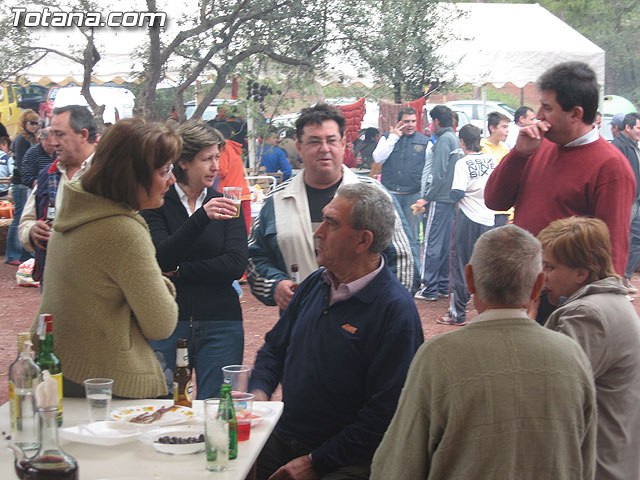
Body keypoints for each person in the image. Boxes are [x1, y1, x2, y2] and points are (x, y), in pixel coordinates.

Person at [371, 225, 597, 480]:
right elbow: (585, 462)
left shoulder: (439, 356)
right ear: (538, 286)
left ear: (469, 280)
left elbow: (399, 463)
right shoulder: (572, 356)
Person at [249, 182, 424, 480]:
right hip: (286, 435)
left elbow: (385, 412)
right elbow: (274, 348)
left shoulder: (395, 310)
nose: (317, 233)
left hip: (347, 460)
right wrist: (258, 396)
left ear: (362, 241)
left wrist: (316, 462)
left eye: (330, 223)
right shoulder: (317, 283)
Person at [31, 118, 180, 398]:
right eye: (164, 171)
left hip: (63, 369)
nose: (171, 180)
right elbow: (161, 323)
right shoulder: (123, 231)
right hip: (110, 383)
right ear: (133, 175)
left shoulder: (75, 209)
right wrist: (164, 285)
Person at [248, 103, 418, 310]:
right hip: (298, 326)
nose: (324, 149)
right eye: (314, 142)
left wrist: (383, 311)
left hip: (365, 327)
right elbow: (255, 257)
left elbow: (403, 261)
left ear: (343, 143)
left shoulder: (376, 196)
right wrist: (274, 285)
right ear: (299, 147)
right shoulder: (276, 201)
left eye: (331, 140)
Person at [485, 61, 635, 278]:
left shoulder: (611, 168)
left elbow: (613, 253)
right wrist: (518, 155)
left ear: (575, 114)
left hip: (569, 301)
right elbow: (494, 200)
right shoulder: (536, 147)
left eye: (547, 108)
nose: (538, 116)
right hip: (524, 286)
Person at [142, 121, 248, 399]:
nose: (217, 167)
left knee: (217, 407)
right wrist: (201, 217)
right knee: (162, 406)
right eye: (207, 159)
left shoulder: (227, 202)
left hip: (221, 322)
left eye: (217, 158)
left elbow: (236, 264)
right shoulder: (157, 203)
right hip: (168, 322)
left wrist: (182, 270)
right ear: (184, 163)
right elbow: (160, 257)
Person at [539, 217, 640, 480]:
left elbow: (550, 390)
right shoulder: (611, 303)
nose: (542, 276)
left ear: (581, 273)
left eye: (550, 267)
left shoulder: (587, 315)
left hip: (597, 466)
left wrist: (523, 325)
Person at [19, 105, 97, 284]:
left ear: (83, 135)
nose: (52, 142)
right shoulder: (48, 174)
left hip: (96, 280)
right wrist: (32, 231)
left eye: (59, 134)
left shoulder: (109, 174)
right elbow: (25, 222)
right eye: (51, 134)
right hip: (53, 277)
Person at [437, 124, 496, 326]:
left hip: (469, 217)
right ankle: (490, 312)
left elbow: (457, 193)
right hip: (489, 217)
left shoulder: (463, 163)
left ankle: (457, 313)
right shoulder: (490, 159)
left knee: (460, 265)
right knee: (486, 264)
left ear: (462, 141)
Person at [414, 105, 462, 301]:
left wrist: (428, 196)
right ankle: (443, 285)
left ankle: (429, 287)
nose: (430, 125)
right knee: (443, 244)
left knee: (432, 243)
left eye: (431, 121)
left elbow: (438, 173)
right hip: (450, 199)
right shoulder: (455, 138)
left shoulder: (443, 140)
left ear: (436, 121)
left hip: (439, 199)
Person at [372, 107, 429, 262]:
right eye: (406, 121)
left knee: (413, 237)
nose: (410, 124)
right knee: (388, 235)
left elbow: (429, 170)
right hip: (391, 195)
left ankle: (415, 271)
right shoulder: (387, 138)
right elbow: (378, 158)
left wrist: (425, 196)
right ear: (399, 122)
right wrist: (393, 138)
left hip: (413, 196)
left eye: (413, 121)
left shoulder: (425, 142)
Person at [5, 109, 39, 265]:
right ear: (24, 123)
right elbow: (20, 163)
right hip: (20, 183)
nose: (34, 126)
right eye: (31, 123)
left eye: (36, 123)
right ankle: (12, 254)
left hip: (28, 183)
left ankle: (24, 253)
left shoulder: (32, 139)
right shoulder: (21, 140)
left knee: (25, 218)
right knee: (18, 218)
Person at [611, 112, 640, 293]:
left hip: (636, 201)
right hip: (625, 201)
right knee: (620, 239)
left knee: (636, 238)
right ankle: (615, 280)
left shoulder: (635, 146)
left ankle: (626, 277)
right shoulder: (618, 147)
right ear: (627, 127)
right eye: (638, 128)